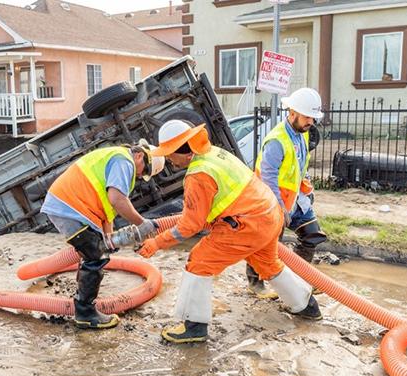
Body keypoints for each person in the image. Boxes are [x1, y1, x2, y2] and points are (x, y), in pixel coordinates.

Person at [137, 120, 322, 344]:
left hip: (247, 224)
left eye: (169, 153)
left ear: (182, 151)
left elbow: (189, 226)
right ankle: (307, 306)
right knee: (268, 263)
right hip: (269, 214)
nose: (167, 159)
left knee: (199, 261)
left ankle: (194, 327)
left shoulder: (198, 175)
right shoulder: (215, 154)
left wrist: (156, 243)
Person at [41, 140, 165, 329]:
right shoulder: (124, 162)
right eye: (145, 170)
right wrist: (142, 224)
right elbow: (116, 199)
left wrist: (109, 239)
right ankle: (85, 313)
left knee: (96, 251)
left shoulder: (116, 158)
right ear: (140, 155)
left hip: (70, 206)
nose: (141, 175)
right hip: (69, 207)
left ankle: (82, 298)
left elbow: (107, 212)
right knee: (95, 256)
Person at [246, 88, 328, 299]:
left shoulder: (302, 134)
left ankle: (295, 280)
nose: (311, 121)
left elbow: (299, 167)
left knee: (312, 235)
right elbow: (268, 176)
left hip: (294, 201)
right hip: (270, 202)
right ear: (292, 113)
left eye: (313, 117)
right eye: (307, 117)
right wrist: (278, 207)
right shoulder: (276, 140)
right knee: (266, 244)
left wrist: (306, 191)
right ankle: (255, 284)